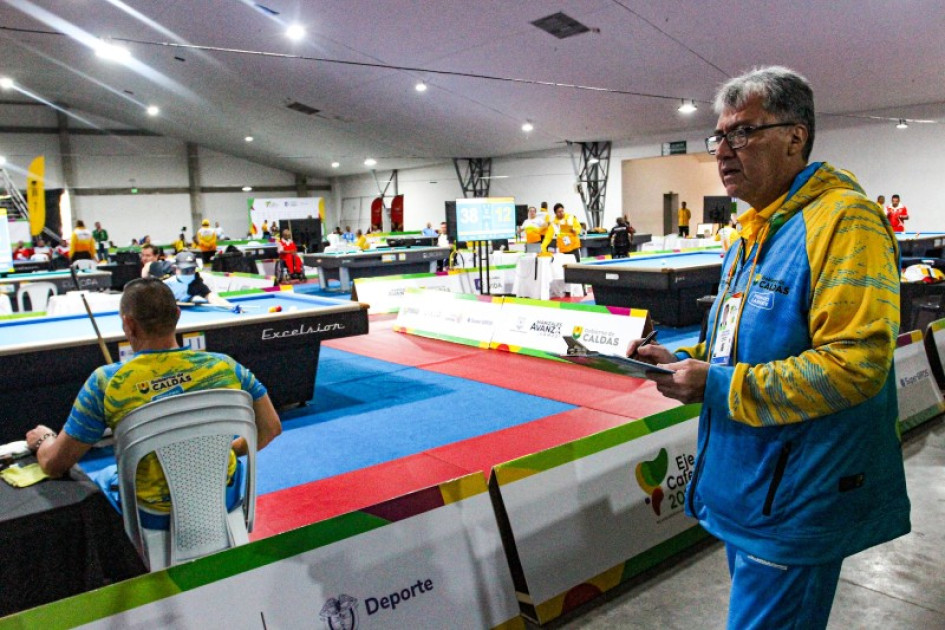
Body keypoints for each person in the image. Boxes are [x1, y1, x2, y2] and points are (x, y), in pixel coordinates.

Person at [628, 66, 909, 630]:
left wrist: (715, 384)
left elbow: (858, 365)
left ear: (795, 136)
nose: (723, 151)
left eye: (743, 133)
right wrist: (686, 364)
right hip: (751, 487)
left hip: (799, 494)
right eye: (719, 137)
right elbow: (732, 349)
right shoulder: (751, 234)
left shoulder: (845, 222)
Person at [24, 277, 281, 520]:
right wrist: (228, 450)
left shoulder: (105, 382)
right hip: (222, 497)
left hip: (150, 513)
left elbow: (54, 464)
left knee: (97, 480)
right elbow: (270, 428)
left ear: (129, 324)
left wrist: (44, 439)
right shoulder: (226, 366)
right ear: (177, 315)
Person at [165, 251, 230, 306]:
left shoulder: (196, 282)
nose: (189, 273)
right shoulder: (166, 284)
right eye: (185, 270)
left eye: (192, 270)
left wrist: (230, 306)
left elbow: (211, 296)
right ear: (175, 269)